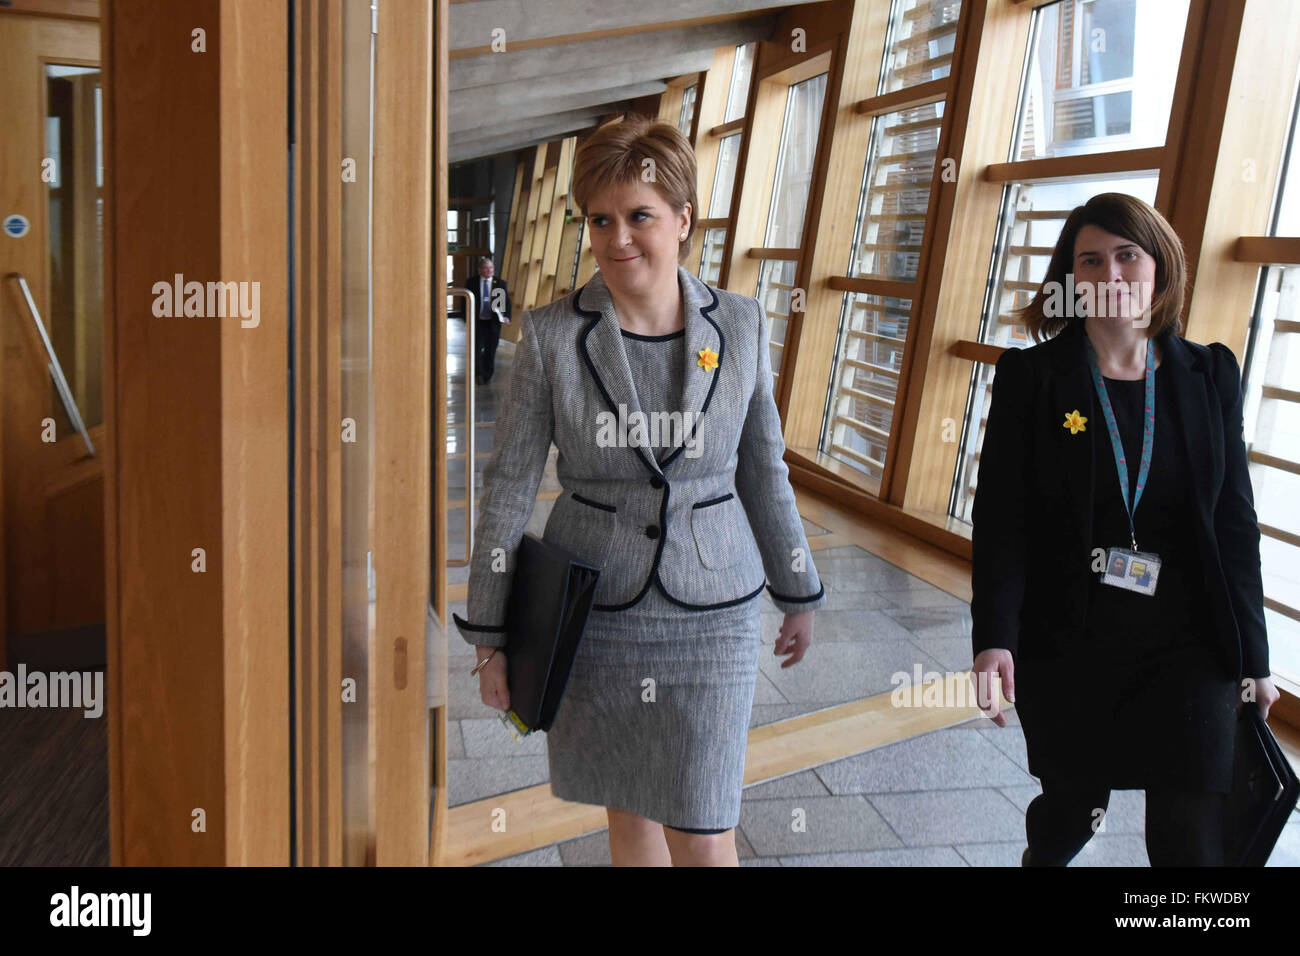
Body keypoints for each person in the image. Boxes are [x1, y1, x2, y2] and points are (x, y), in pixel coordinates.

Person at [452, 116, 825, 866]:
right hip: (598, 611)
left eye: (640, 216)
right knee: (630, 809)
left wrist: (799, 589)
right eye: (600, 218)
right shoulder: (556, 336)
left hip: (713, 612)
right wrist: (491, 638)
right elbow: (510, 488)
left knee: (704, 820)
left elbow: (762, 468)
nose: (618, 237)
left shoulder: (743, 325)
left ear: (683, 220)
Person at [969, 192, 1278, 867]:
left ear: (1159, 265)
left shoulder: (1209, 374)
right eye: (1091, 261)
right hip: (1071, 644)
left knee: (1191, 840)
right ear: (1070, 280)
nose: (1111, 276)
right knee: (1072, 815)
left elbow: (1235, 526)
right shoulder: (1034, 378)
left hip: (1191, 649)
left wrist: (1254, 660)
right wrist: (994, 639)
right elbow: (1003, 521)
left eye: (1127, 255)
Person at [463, 256, 511, 384]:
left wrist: (506, 316)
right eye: (486, 268)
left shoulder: (499, 283)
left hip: (492, 323)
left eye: (491, 268)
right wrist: (466, 319)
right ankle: (478, 372)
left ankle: (487, 375)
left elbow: (505, 303)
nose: (489, 270)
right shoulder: (471, 283)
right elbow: (464, 302)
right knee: (476, 349)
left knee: (491, 350)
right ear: (480, 270)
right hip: (477, 322)